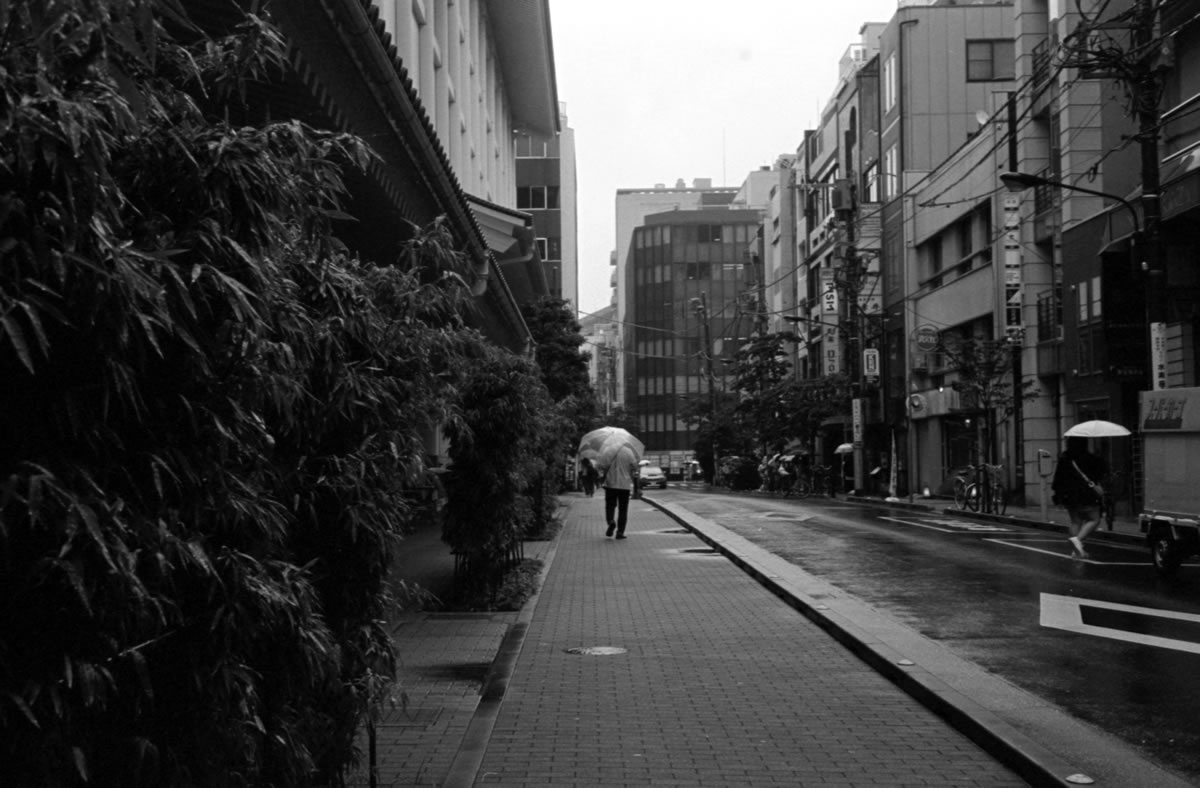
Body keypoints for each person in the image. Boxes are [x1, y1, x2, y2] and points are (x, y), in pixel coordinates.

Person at [1052, 436, 1109, 558]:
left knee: (1075, 521)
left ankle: (1077, 550)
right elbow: (1101, 473)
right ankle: (1078, 540)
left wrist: (1058, 495)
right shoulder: (1091, 458)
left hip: (1070, 496)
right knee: (1094, 519)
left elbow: (1058, 479)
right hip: (1087, 494)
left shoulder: (1065, 459)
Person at [597, 444, 638, 539]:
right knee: (623, 509)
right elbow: (634, 466)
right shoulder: (629, 451)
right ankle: (620, 532)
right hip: (624, 484)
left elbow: (601, 466)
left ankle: (611, 521)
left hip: (611, 483)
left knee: (610, 506)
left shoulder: (607, 450)